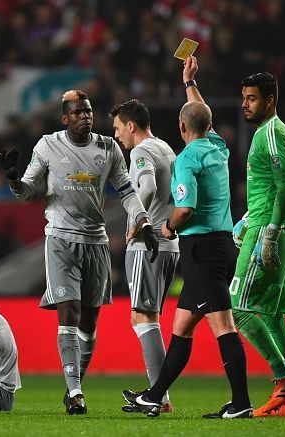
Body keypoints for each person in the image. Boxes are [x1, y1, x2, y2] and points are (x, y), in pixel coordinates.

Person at [0, 90, 159, 415]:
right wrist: (14, 180)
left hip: (95, 242)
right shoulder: (47, 145)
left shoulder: (108, 147)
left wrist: (143, 220)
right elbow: (27, 192)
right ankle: (75, 393)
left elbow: (126, 189)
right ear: (65, 118)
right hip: (59, 238)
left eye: (88, 110)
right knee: (68, 312)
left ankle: (76, 384)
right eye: (79, 112)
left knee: (89, 323)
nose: (86, 116)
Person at [125, 56, 252, 419]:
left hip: (202, 249)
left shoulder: (186, 160)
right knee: (181, 328)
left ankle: (242, 403)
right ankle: (154, 395)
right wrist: (189, 83)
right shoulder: (218, 148)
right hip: (220, 244)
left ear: (181, 126)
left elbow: (185, 210)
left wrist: (166, 228)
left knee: (223, 326)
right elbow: (202, 114)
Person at [230, 72, 285, 417]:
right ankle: (283, 400)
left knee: (240, 308)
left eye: (252, 98)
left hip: (272, 230)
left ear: (270, 100)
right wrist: (247, 217)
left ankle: (283, 377)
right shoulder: (269, 133)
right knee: (273, 314)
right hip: (281, 227)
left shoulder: (273, 133)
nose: (246, 104)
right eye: (244, 97)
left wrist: (269, 232)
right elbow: (273, 188)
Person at [110, 99, 179, 413]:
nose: (117, 136)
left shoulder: (140, 152)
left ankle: (159, 397)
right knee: (148, 317)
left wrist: (140, 223)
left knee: (142, 317)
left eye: (117, 129)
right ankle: (159, 393)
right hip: (170, 244)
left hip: (147, 245)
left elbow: (147, 187)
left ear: (131, 125)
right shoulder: (166, 147)